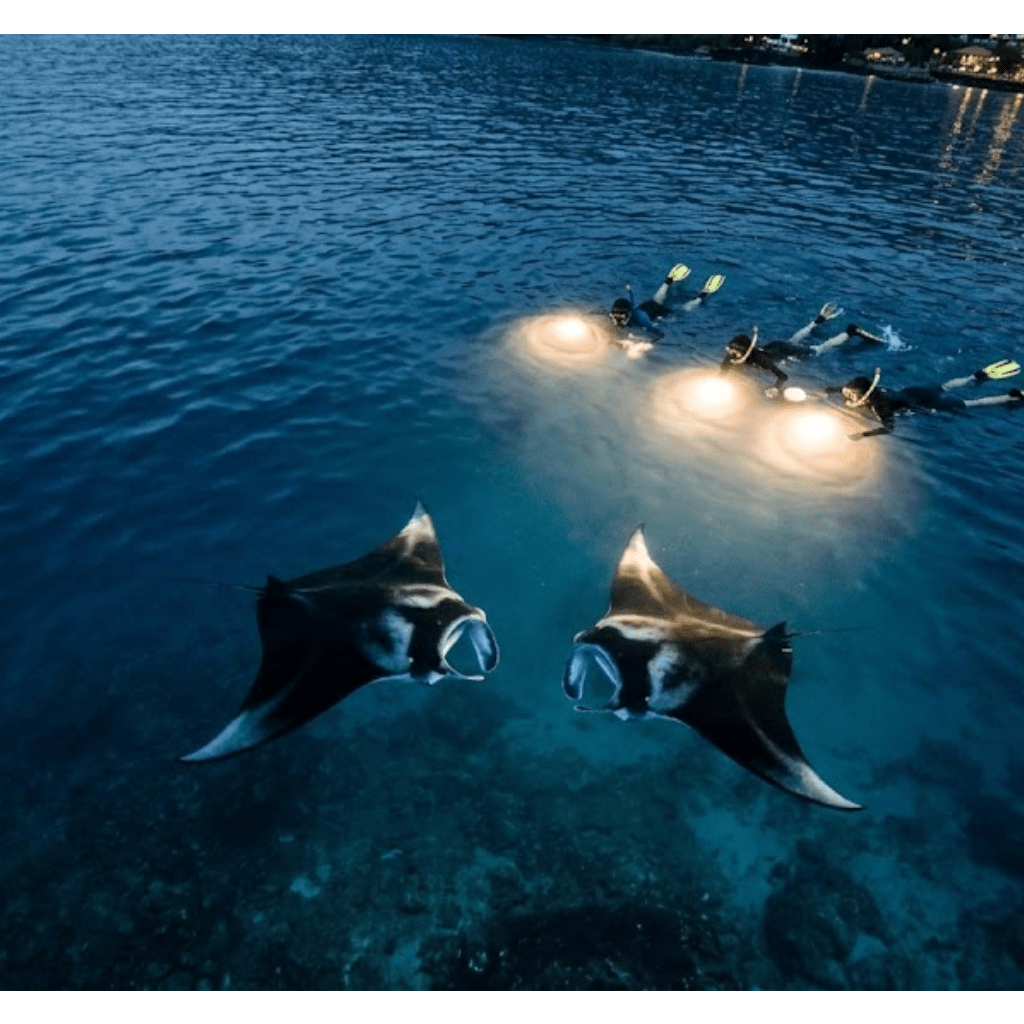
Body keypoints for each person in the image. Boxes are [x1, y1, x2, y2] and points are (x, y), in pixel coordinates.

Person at [826, 363, 1023, 438]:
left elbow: (888, 428)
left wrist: (864, 435)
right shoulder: (872, 390)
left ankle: (1010, 397)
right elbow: (846, 388)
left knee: (972, 404)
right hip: (914, 391)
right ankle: (974, 376)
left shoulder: (880, 407)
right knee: (944, 386)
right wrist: (828, 392)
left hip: (923, 405)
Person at [719, 304, 885, 382]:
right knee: (792, 341)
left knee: (819, 349)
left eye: (733, 352)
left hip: (784, 353)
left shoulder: (762, 361)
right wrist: (721, 376)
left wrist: (775, 389)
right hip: (775, 346)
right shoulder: (735, 354)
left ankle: (851, 331)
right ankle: (818, 320)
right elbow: (726, 365)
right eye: (730, 350)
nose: (730, 354)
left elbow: (783, 376)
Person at [608, 263, 726, 344]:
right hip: (647, 305)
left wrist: (643, 343)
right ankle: (668, 281)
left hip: (660, 313)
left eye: (621, 316)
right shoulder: (614, 315)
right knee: (655, 300)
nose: (618, 319)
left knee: (682, 311)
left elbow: (659, 334)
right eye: (616, 315)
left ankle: (703, 294)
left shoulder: (642, 320)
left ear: (628, 314)